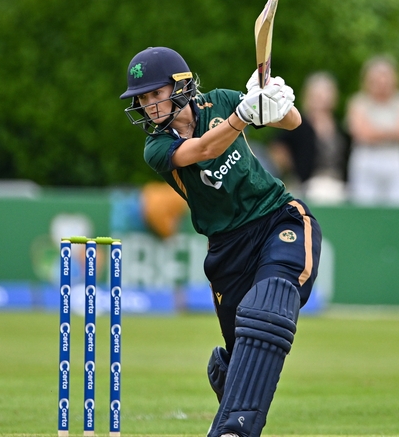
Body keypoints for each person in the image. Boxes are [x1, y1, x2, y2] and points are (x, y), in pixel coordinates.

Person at [120, 46, 322, 437]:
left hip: (276, 217)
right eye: (142, 99)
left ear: (180, 86)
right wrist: (244, 115)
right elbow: (206, 148)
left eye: (154, 94)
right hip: (227, 251)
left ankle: (233, 430)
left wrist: (273, 100)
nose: (148, 106)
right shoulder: (156, 148)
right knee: (246, 350)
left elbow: (293, 122)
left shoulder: (223, 101)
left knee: (270, 306)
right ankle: (229, 377)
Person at [345, 55, 399, 206]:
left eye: (386, 78)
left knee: (398, 204)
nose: (382, 83)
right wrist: (393, 131)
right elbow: (361, 134)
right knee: (364, 205)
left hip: (395, 158)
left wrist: (376, 131)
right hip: (366, 158)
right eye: (377, 79)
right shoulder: (358, 102)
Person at [269, 71, 348, 204]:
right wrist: (292, 168)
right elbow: (277, 147)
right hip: (308, 183)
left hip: (338, 181)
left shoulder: (338, 126)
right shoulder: (298, 122)